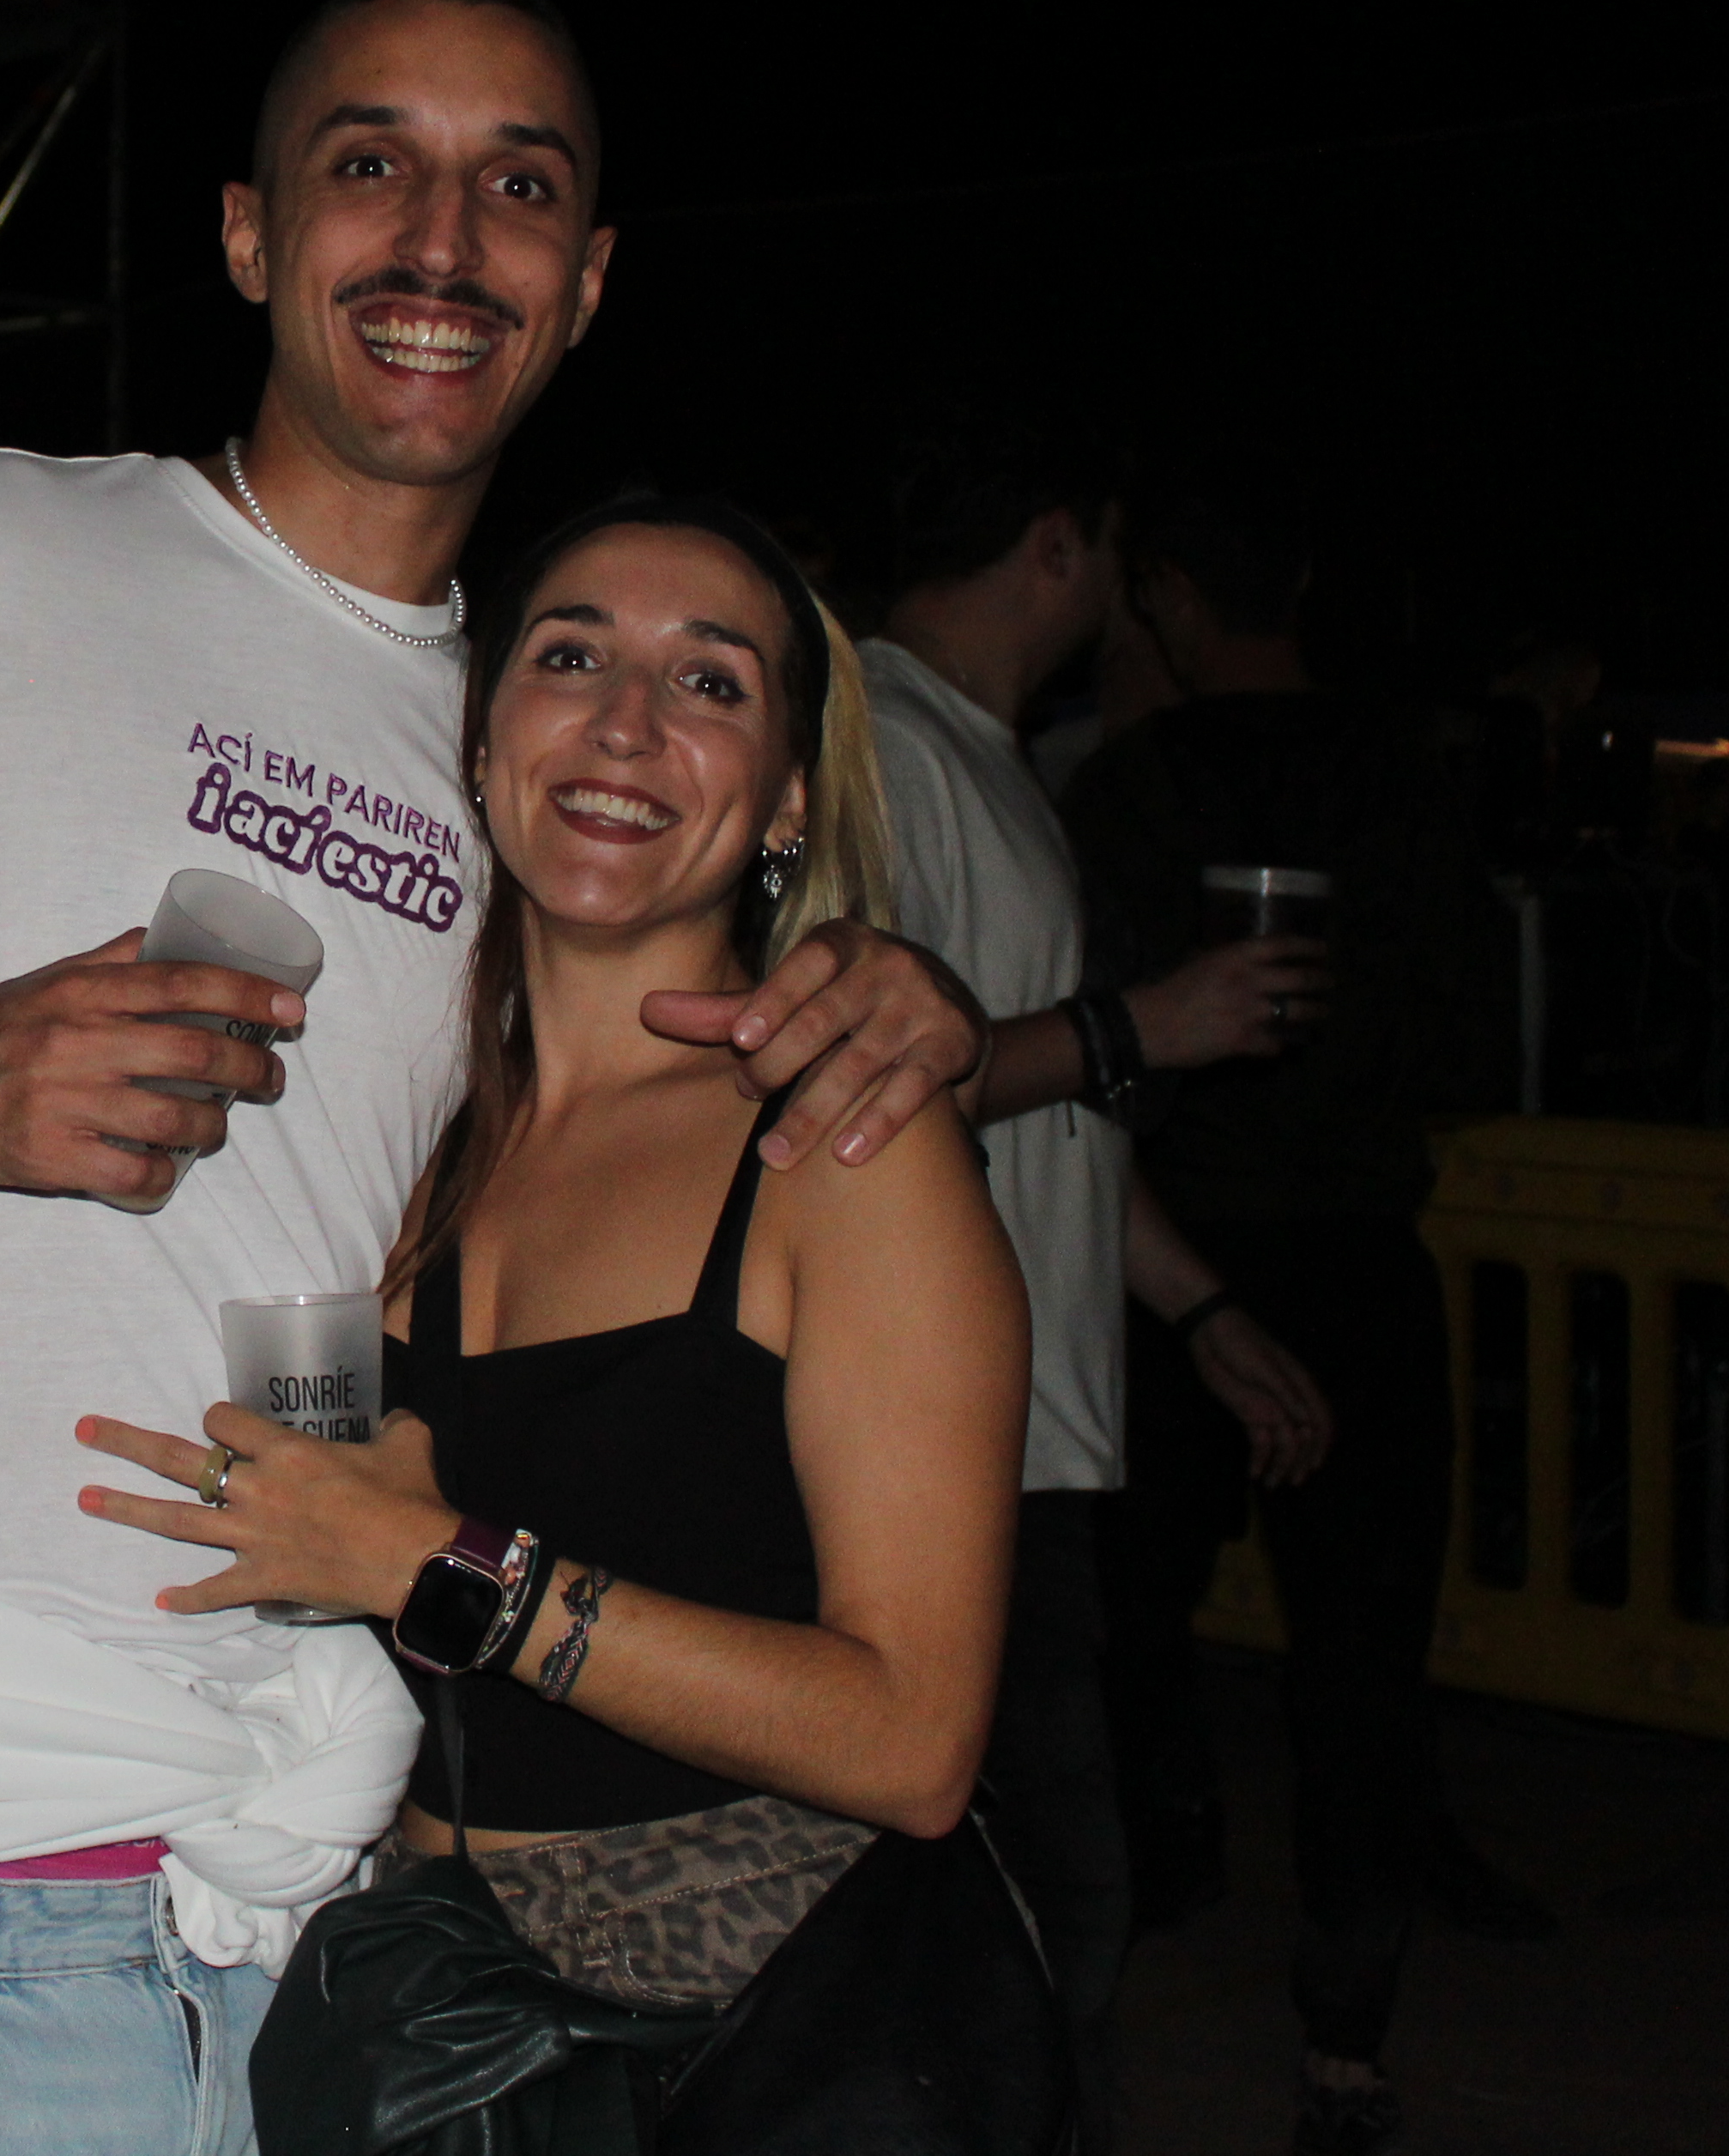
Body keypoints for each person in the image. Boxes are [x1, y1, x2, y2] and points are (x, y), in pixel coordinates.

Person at [0, 0, 988, 2154]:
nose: (441, 241)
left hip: (307, 1920)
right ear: (250, 235)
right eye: (371, 165)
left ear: (582, 286)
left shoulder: (520, 762)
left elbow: (418, 1219)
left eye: (516, 189)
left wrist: (899, 988)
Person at [76, 500, 1056, 2137]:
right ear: (483, 745)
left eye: (711, 682)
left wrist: (443, 1567)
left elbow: (913, 1740)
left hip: (745, 2047)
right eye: (573, 656)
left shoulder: (845, 1147)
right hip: (419, 2012)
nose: (626, 723)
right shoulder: (389, 1128)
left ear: (788, 796)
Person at [861, 429, 1343, 2148]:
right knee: (1048, 1917)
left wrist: (1204, 1313)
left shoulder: (983, 759)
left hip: (1037, 1437)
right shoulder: (884, 748)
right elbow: (865, 1083)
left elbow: (1054, 1124)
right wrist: (1150, 1022)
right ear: (1060, 546)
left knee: (1029, 1920)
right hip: (945, 1449)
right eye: (1119, 560)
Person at [1061, 477, 1534, 2156]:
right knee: (1362, 1656)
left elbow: (1089, 1054)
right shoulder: (1410, 784)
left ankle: (1120, 1941)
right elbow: (1476, 1042)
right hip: (1350, 1261)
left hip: (1170, 1264)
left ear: (1172, 598)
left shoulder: (1129, 792)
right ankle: (1348, 2034)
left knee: (1125, 1633)